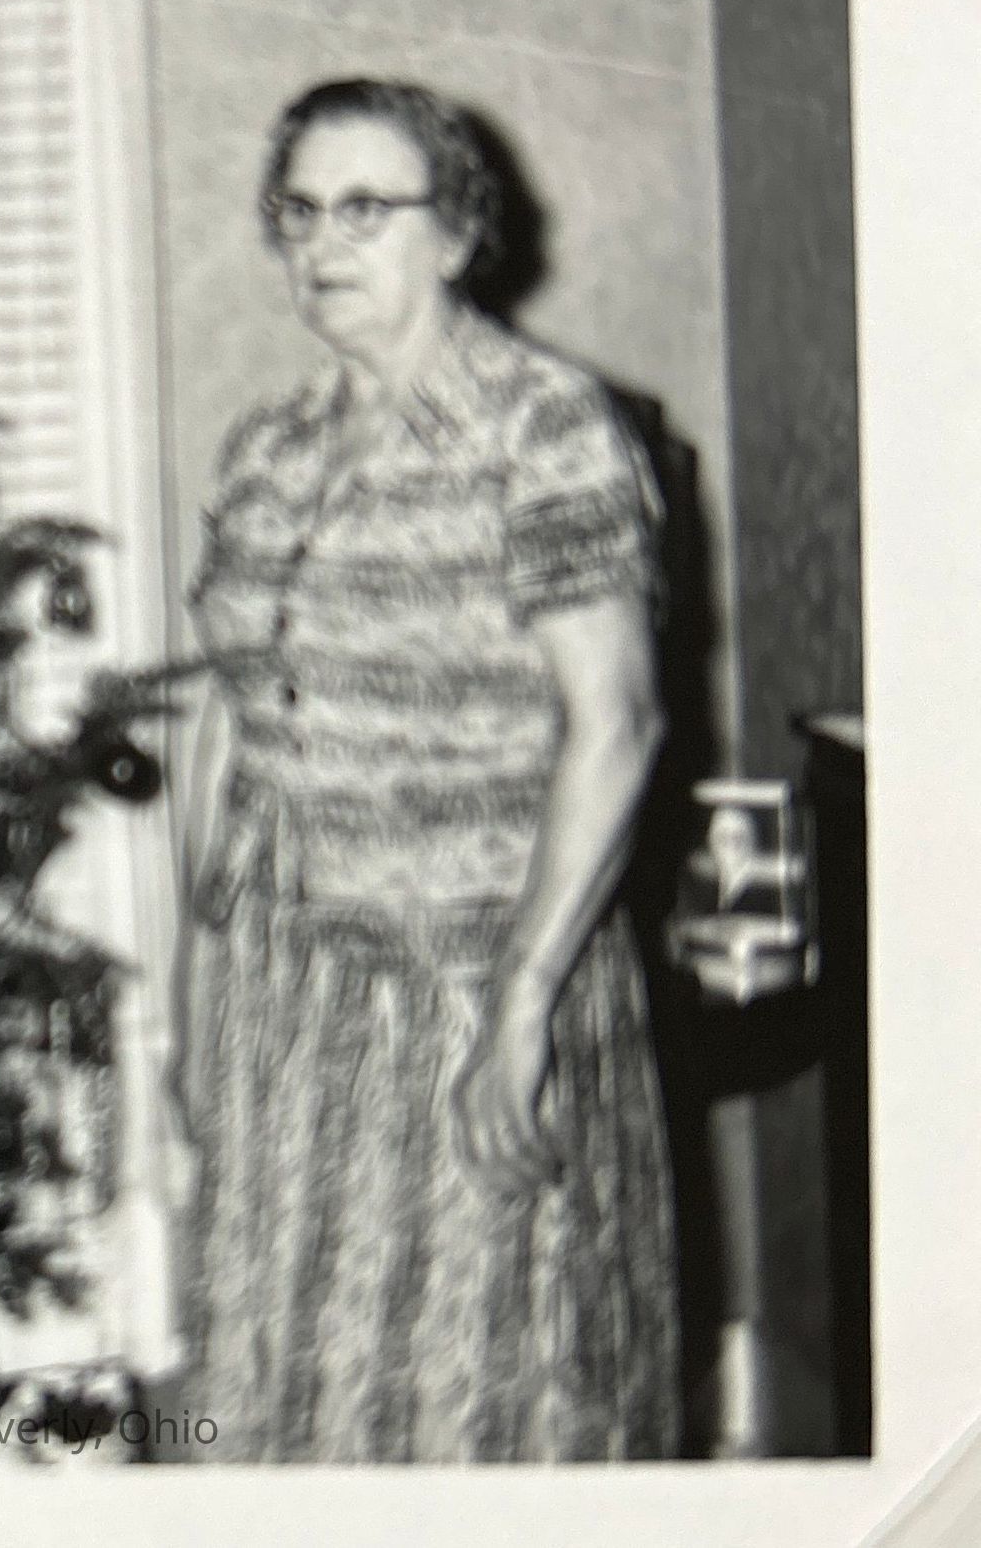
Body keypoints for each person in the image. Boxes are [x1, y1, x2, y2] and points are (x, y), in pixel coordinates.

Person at [170, 77, 680, 1461]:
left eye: (365, 211)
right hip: (285, 982)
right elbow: (233, 714)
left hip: (468, 973)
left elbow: (619, 723)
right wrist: (197, 998)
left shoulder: (545, 428)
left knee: (476, 1386)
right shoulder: (267, 446)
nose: (321, 245)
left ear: (455, 235)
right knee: (278, 1362)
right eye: (297, 213)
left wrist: (522, 1002)